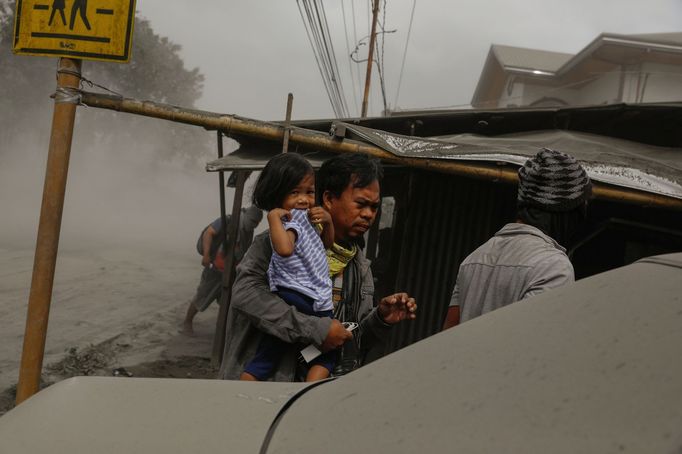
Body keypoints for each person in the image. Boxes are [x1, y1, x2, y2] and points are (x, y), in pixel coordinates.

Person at [220, 153, 417, 381]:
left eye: (374, 207)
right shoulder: (275, 243)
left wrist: (381, 319)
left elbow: (351, 336)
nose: (368, 215)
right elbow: (246, 296)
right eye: (361, 204)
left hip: (314, 398)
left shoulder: (359, 267)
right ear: (329, 199)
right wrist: (315, 328)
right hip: (264, 389)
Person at [443, 148, 591, 329]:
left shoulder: (473, 259)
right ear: (565, 209)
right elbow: (537, 345)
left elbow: (447, 332)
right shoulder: (553, 268)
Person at [240, 154, 336, 382]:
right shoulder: (291, 222)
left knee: (270, 353)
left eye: (309, 192)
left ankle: (249, 381)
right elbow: (284, 249)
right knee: (327, 350)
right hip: (304, 295)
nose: (304, 199)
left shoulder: (308, 222)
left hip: (307, 294)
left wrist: (329, 221)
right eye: (295, 193)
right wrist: (274, 218)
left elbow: (327, 244)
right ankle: (308, 389)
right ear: (277, 194)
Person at [182, 205, 263, 335]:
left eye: (257, 223)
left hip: (230, 271)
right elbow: (209, 233)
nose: (255, 225)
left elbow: (243, 251)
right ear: (247, 216)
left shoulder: (248, 230)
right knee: (202, 295)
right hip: (215, 268)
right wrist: (207, 255)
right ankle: (187, 321)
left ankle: (223, 330)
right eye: (253, 221)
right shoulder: (228, 221)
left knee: (227, 302)